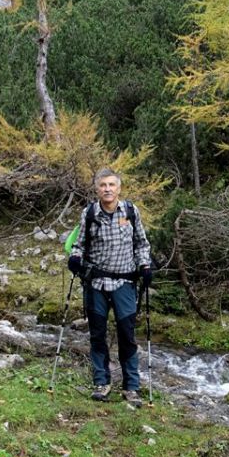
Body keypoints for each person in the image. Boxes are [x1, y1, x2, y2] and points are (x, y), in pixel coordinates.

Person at [67, 168, 152, 407]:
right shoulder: (90, 213)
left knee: (127, 333)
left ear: (119, 188)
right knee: (97, 334)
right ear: (97, 189)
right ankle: (101, 383)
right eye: (103, 185)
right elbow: (80, 244)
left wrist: (145, 266)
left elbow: (141, 244)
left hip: (125, 282)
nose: (107, 189)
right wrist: (75, 258)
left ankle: (131, 387)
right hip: (95, 283)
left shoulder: (131, 212)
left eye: (111, 185)